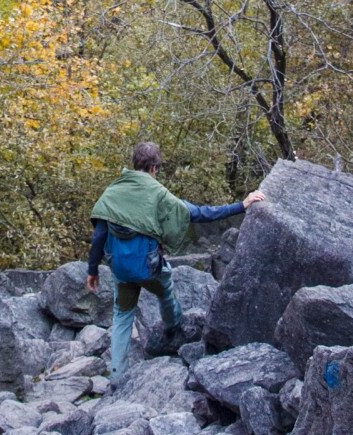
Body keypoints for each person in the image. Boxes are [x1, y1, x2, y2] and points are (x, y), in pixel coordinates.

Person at [86, 141, 265, 385]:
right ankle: (173, 328)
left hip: (121, 269)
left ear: (134, 164)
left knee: (122, 316)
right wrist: (241, 205)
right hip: (148, 268)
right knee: (165, 289)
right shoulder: (159, 194)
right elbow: (198, 213)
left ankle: (116, 377)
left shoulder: (112, 192)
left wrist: (92, 271)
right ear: (154, 168)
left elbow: (99, 236)